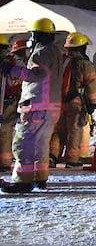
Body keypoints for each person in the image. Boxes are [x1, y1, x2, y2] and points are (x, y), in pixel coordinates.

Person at [2, 17, 64, 193]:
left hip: (36, 106)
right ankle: (39, 178)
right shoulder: (55, 52)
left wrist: (12, 70)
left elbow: (36, 75)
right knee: (40, 145)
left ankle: (23, 180)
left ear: (37, 35)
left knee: (24, 144)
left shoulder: (41, 53)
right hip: (50, 107)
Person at [50, 31, 96, 168]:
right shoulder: (85, 64)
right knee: (74, 130)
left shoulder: (62, 61)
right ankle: (72, 160)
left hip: (59, 101)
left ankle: (52, 155)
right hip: (76, 103)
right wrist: (93, 103)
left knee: (58, 130)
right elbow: (91, 85)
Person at [0, 37, 30, 171]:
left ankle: (4, 162)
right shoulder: (12, 64)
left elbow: (14, 84)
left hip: (8, 101)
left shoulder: (9, 65)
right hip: (9, 100)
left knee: (5, 131)